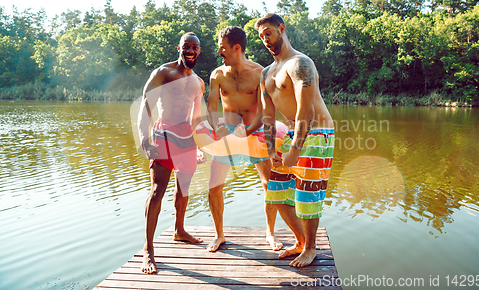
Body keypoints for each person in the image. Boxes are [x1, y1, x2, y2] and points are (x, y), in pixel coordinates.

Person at [255, 14, 335, 267]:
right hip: (292, 132)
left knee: (307, 195)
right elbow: (267, 115)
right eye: (261, 36)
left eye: (268, 32)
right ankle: (300, 241)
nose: (265, 39)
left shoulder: (301, 63)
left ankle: (311, 248)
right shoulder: (266, 73)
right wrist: (270, 148)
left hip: (318, 133)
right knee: (276, 194)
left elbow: (306, 110)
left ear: (281, 28)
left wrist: (296, 149)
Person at [205, 26, 282, 252]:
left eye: (223, 48)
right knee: (214, 185)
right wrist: (215, 124)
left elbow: (265, 111)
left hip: (254, 131)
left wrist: (247, 132)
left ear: (236, 48)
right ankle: (219, 235)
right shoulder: (217, 75)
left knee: (270, 183)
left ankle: (270, 233)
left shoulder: (260, 73)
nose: (220, 52)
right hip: (227, 132)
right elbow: (211, 107)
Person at [137, 32, 206, 274]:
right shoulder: (164, 72)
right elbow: (145, 106)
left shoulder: (198, 82)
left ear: (199, 51)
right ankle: (148, 250)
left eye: (195, 47)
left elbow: (197, 118)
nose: (190, 50)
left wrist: (199, 146)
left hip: (186, 136)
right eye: (187, 46)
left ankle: (179, 230)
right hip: (164, 132)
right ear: (179, 47)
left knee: (184, 188)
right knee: (158, 190)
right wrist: (145, 141)